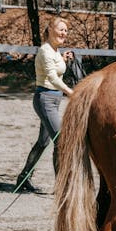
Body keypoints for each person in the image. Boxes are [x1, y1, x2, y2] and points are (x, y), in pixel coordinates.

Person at [16, 16, 74, 193]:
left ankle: (23, 179)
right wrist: (71, 92)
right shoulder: (45, 50)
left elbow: (54, 68)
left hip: (53, 100)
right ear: (50, 30)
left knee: (43, 142)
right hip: (45, 100)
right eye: (61, 29)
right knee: (61, 141)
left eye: (66, 30)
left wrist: (62, 59)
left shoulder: (55, 51)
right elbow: (52, 77)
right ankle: (61, 185)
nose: (64, 33)